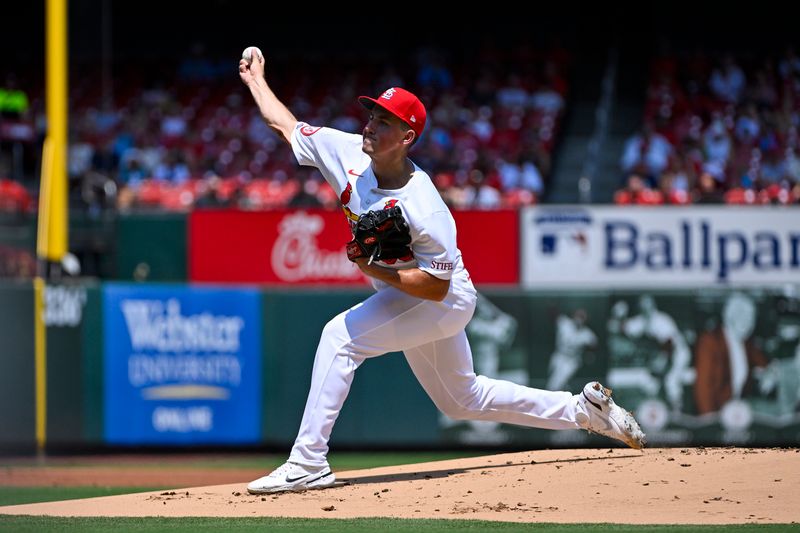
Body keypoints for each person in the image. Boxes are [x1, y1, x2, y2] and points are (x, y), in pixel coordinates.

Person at [239, 49, 645, 494]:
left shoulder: (425, 206)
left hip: (443, 299)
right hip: (411, 294)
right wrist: (256, 79)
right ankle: (585, 411)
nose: (371, 125)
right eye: (372, 114)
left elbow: (434, 287)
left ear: (407, 137)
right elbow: (287, 126)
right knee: (462, 400)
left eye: (384, 121)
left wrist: (373, 266)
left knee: (340, 338)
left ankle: (308, 462)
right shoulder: (347, 151)